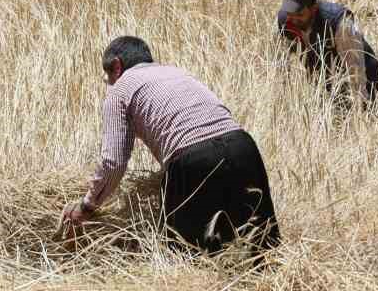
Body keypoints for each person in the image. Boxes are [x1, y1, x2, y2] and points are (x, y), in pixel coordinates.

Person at [62, 36, 280, 256]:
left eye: (108, 76)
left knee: (190, 258)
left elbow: (114, 162)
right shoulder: (178, 73)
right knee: (259, 251)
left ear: (117, 66)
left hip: (193, 159)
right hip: (243, 148)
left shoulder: (120, 89)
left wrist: (87, 206)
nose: (109, 83)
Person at [276, 0, 378, 106]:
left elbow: (356, 69)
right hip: (325, 77)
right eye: (290, 12)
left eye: (299, 14)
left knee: (357, 112)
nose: (293, 18)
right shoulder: (286, 21)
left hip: (362, 71)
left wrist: (361, 107)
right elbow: (282, 62)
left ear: (313, 9)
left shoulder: (339, 24)